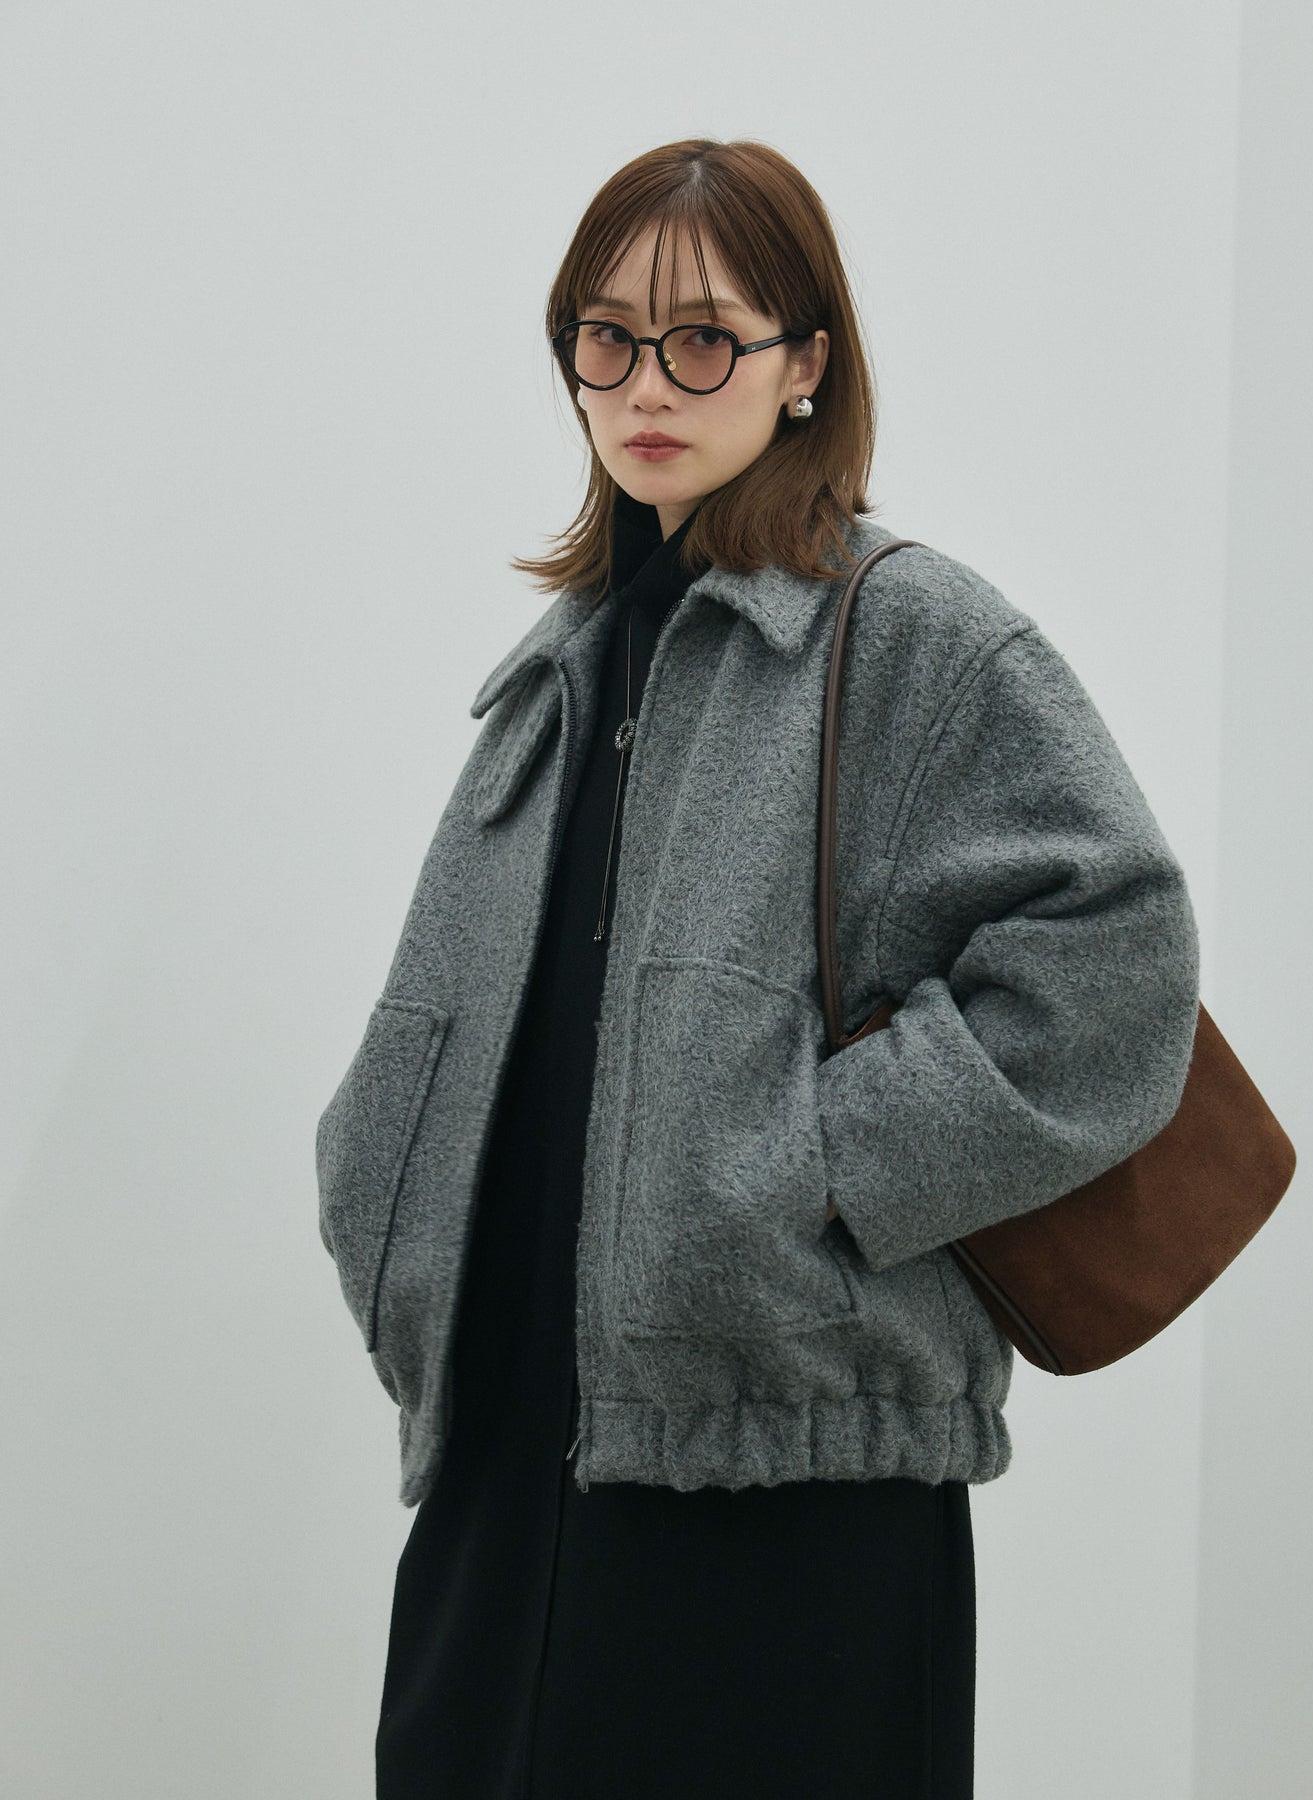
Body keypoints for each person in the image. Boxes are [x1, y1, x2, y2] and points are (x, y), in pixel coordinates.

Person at [315, 137, 1201, 1800]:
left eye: (704, 338)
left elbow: (1114, 958)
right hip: (508, 1452)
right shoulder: (567, 661)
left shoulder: (912, 633)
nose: (648, 383)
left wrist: (801, 1175)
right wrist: (378, 1180)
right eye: (607, 336)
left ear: (806, 364)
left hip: (784, 1489)